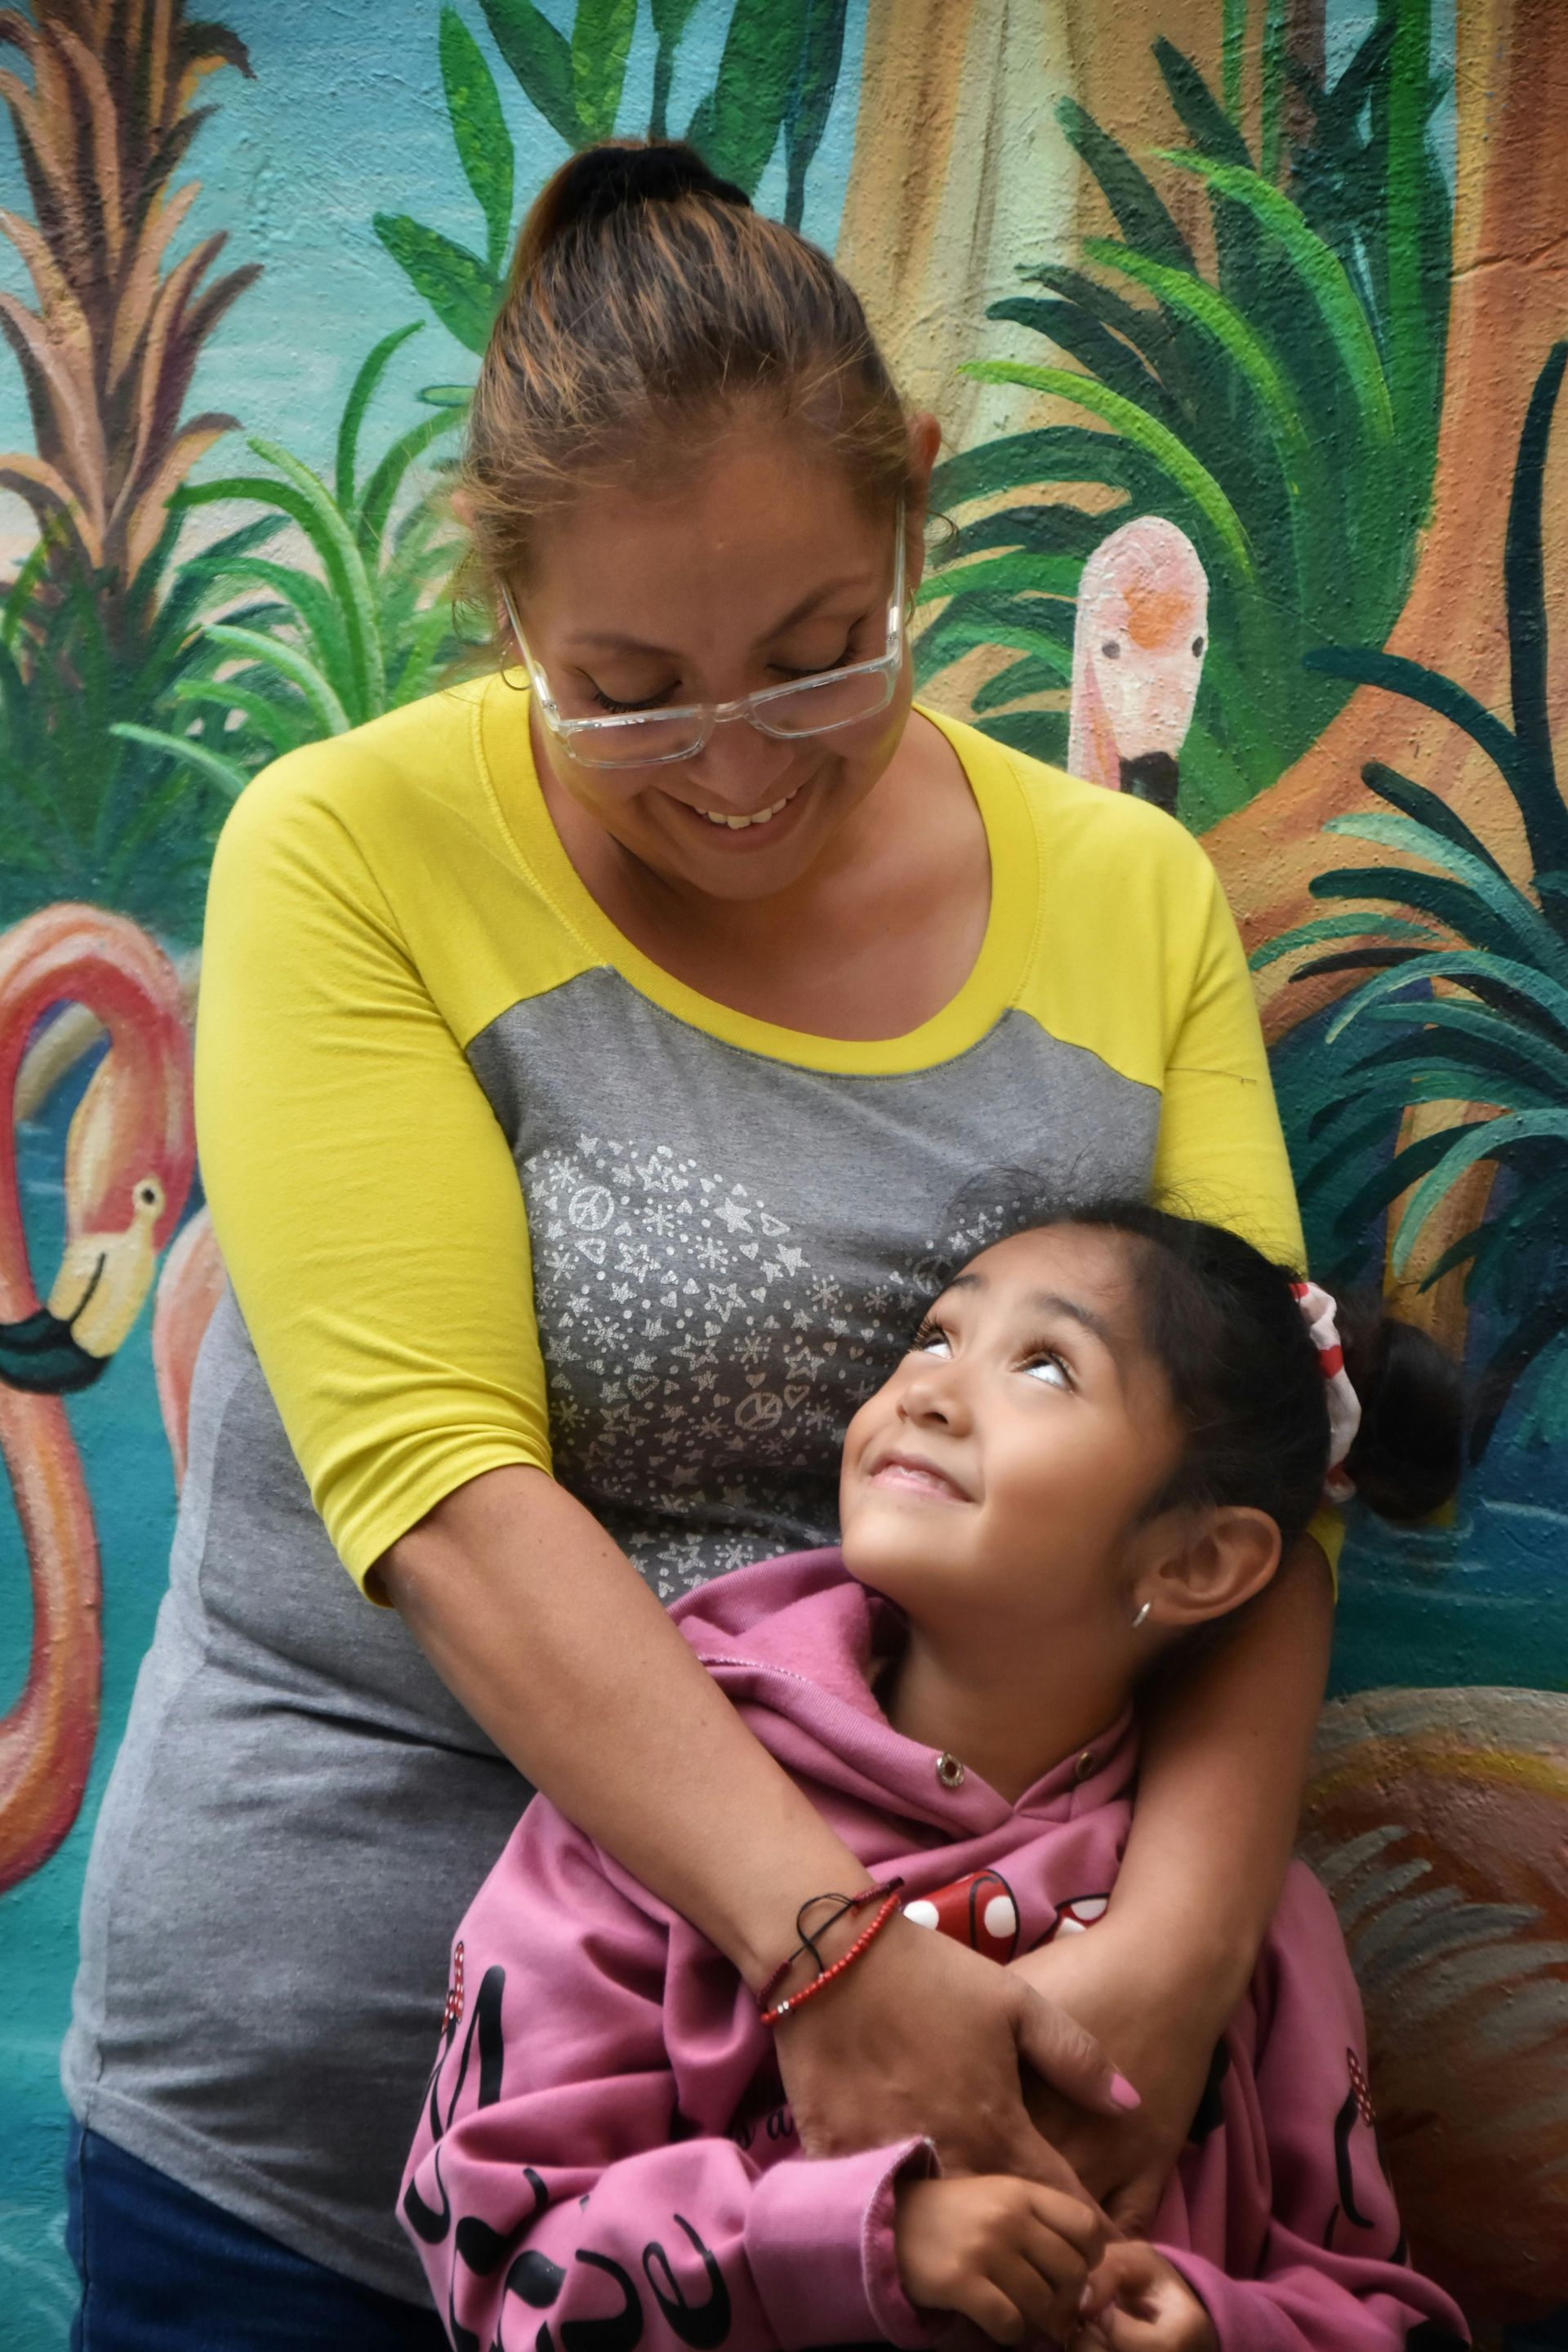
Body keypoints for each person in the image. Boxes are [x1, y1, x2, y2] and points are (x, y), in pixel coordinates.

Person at [66, 140, 1339, 2345]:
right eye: (630, 687)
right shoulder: (350, 854)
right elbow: (444, 1498)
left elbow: (1260, 1466)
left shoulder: (1131, 906)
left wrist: (1179, 1958)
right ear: (504, 602)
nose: (740, 770)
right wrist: (825, 1950)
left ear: (918, 504)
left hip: (944, 2178)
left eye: (824, 656)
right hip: (338, 2128)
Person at [401, 1205, 1468, 2352]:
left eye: (1046, 1366)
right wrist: (862, 2242)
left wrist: (1222, 2326)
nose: (929, 1391)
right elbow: (500, 2261)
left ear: (1199, 1559)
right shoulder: (645, 1817)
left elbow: (1374, 2307)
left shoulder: (1259, 1930)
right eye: (935, 1337)